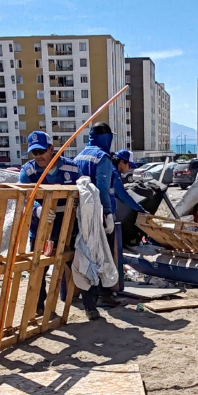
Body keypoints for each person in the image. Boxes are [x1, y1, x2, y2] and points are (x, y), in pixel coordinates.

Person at [19, 131, 82, 314]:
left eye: (41, 151)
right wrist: (37, 210)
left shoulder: (71, 168)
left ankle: (89, 304)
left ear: (51, 149)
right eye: (34, 153)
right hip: (41, 228)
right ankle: (39, 307)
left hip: (68, 226)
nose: (38, 156)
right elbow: (24, 197)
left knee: (78, 263)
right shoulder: (28, 171)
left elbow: (84, 191)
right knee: (39, 267)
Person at [74, 123, 123, 318]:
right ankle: (96, 300)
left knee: (86, 254)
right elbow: (103, 188)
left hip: (82, 215)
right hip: (99, 215)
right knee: (102, 255)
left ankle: (96, 298)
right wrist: (108, 214)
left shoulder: (78, 157)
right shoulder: (102, 158)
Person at [109, 149, 149, 296]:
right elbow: (123, 195)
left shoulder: (112, 170)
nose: (130, 169)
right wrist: (140, 209)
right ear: (122, 162)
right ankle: (111, 287)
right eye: (129, 166)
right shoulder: (114, 172)